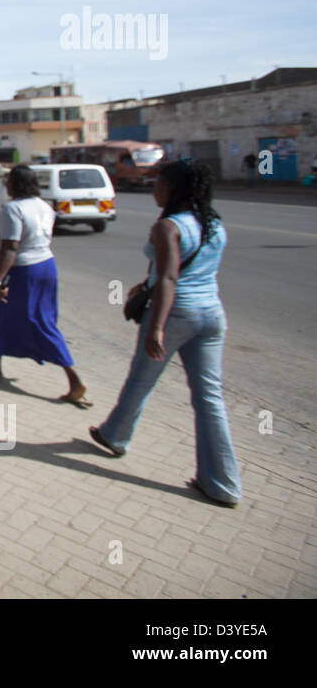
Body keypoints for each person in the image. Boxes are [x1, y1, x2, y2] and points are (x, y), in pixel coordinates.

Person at [90, 160, 241, 507]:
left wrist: (156, 327)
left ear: (172, 189)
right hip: (212, 315)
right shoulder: (213, 224)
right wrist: (147, 283)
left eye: (158, 184)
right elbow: (185, 269)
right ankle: (223, 484)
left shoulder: (168, 226)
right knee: (209, 398)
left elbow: (171, 278)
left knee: (141, 378)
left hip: (176, 313)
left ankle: (116, 436)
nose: (154, 189)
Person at [0, 164, 88, 405]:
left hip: (22, 270)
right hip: (46, 266)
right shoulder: (45, 206)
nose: (6, 185)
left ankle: (73, 378)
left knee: (37, 322)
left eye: (8, 181)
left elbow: (10, 247)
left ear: (15, 184)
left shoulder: (12, 209)